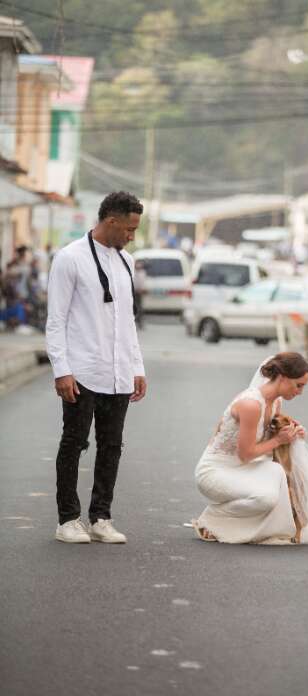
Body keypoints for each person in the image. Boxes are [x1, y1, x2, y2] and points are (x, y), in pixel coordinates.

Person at [46, 191, 147, 544]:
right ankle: (67, 519)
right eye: (129, 229)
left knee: (112, 445)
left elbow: (128, 321)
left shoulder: (126, 262)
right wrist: (61, 369)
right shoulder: (69, 259)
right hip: (82, 370)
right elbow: (56, 320)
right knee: (74, 442)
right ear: (111, 222)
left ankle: (101, 516)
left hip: (118, 371)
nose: (132, 236)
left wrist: (137, 366)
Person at [193, 352, 308, 545]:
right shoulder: (251, 405)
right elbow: (246, 454)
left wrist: (292, 432)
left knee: (281, 478)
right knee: (266, 499)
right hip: (216, 472)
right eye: (299, 385)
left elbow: (266, 438)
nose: (300, 391)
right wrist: (279, 440)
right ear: (283, 377)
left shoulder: (276, 401)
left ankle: (248, 525)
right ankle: (212, 519)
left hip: (245, 469)